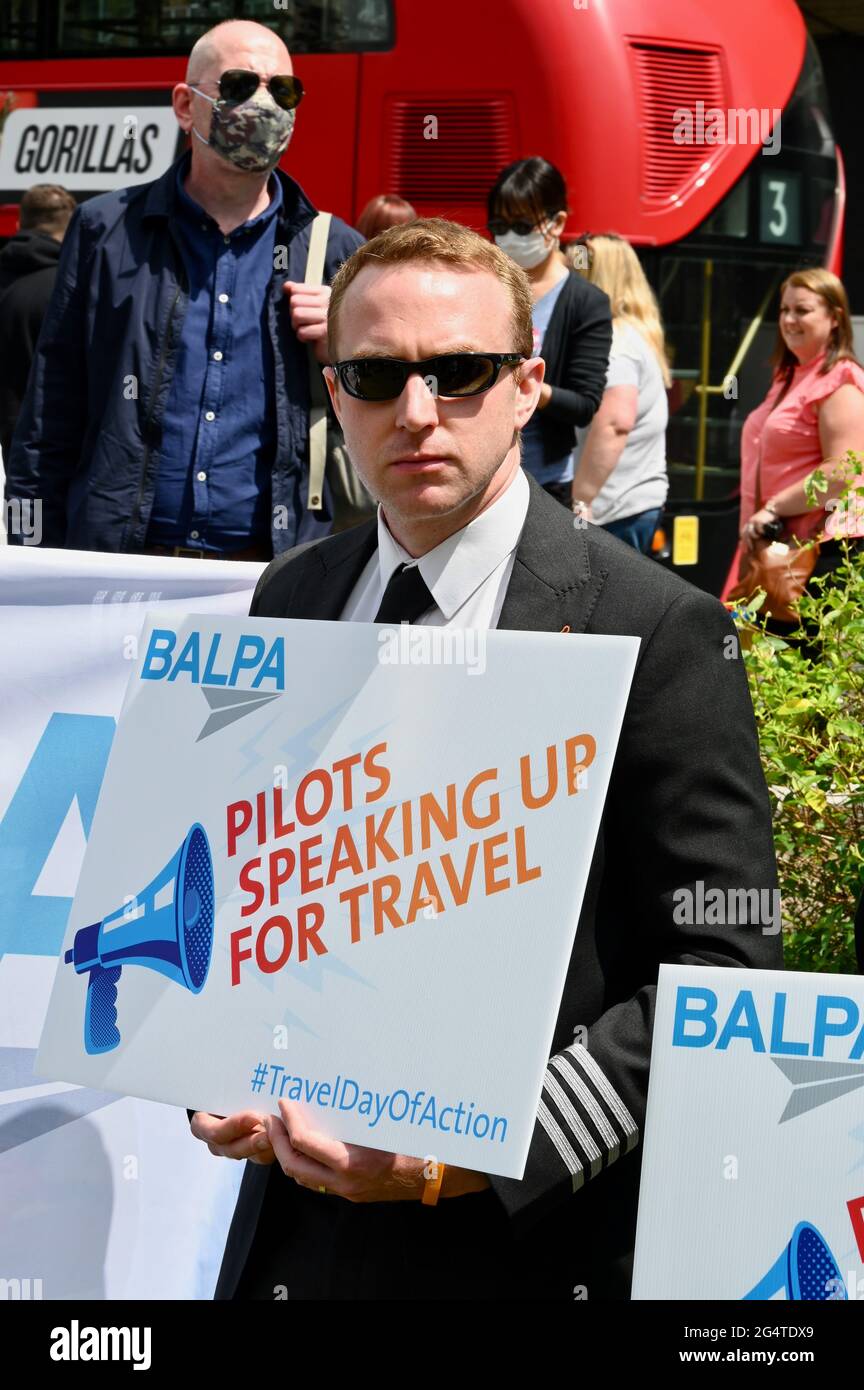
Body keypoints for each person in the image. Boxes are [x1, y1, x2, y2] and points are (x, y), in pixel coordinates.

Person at [189, 218, 782, 1302]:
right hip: (292, 1248)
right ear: (335, 394)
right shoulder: (293, 599)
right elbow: (241, 896)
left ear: (528, 387)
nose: (416, 413)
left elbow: (721, 971)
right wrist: (206, 1060)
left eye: (459, 373)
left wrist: (474, 1155)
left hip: (522, 1249)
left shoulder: (657, 629)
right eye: (374, 375)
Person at [4, 19, 363, 558]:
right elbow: (49, 415)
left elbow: (392, 421)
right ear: (184, 104)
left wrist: (351, 348)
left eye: (283, 90)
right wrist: (28, 553)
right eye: (239, 85)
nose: (265, 105)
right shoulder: (105, 231)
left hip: (267, 573)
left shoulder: (334, 249)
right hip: (119, 563)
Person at [725, 268, 864, 627]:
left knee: (802, 671)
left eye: (802, 310)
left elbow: (844, 472)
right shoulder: (790, 377)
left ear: (834, 318)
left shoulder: (841, 381)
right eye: (784, 310)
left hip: (822, 556)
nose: (789, 320)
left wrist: (773, 508)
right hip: (780, 551)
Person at [487, 158, 611, 509]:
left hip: (545, 484)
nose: (510, 237)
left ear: (556, 223)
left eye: (523, 226)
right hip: (479, 476)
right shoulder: (483, 285)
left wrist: (524, 384)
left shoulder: (586, 303)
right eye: (500, 225)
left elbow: (584, 404)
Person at [568, 234, 671, 554]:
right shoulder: (634, 334)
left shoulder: (616, 343)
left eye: (575, 271)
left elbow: (614, 425)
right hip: (627, 504)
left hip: (610, 509)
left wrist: (579, 500)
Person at [0, 185, 76, 462]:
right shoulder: (74, 288)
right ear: (70, 228)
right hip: (55, 450)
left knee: (20, 507)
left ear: (19, 223)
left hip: (10, 451)